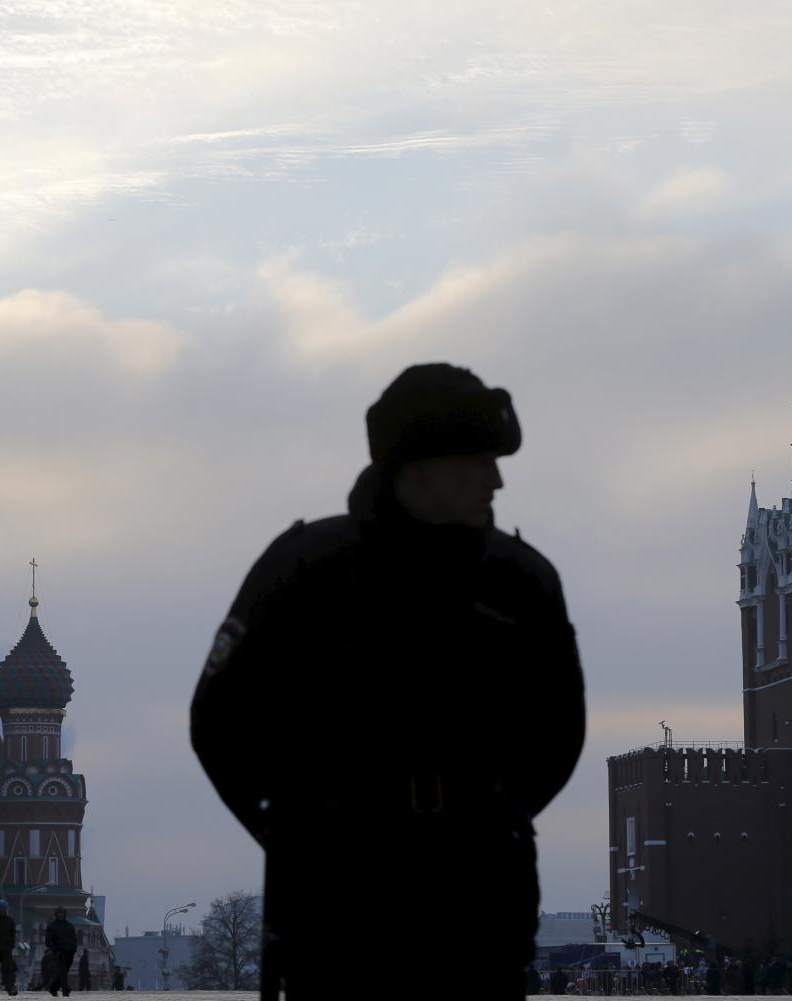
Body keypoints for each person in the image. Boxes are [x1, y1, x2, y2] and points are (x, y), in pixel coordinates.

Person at [191, 364, 587, 1000]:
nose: (497, 480)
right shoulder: (303, 571)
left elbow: (558, 736)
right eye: (477, 461)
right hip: (337, 910)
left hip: (477, 905)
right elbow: (219, 720)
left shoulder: (522, 583)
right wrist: (298, 832)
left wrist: (485, 818)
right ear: (417, 467)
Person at [43, 909, 76, 997]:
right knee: (62, 971)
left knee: (64, 972)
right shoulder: (52, 926)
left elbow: (74, 939)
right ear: (56, 914)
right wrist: (55, 949)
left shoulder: (69, 926)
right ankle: (65, 990)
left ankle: (53, 988)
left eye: (63, 913)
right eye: (59, 913)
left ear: (65, 914)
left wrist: (73, 950)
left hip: (69, 953)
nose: (61, 915)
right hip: (58, 953)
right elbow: (48, 941)